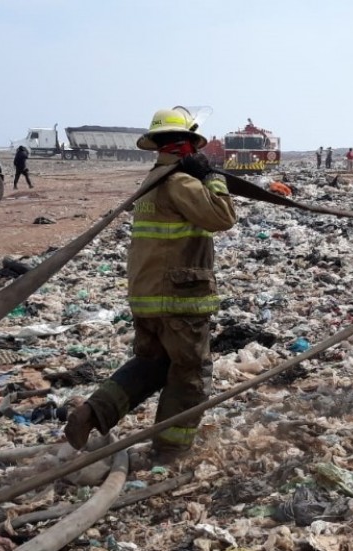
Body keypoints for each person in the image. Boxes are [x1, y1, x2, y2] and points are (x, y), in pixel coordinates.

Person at [63, 106, 237, 463]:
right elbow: (223, 217)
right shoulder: (181, 183)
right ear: (187, 146)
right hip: (180, 299)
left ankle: (92, 413)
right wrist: (214, 176)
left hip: (146, 297)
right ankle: (170, 450)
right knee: (190, 375)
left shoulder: (149, 184)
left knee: (153, 365)